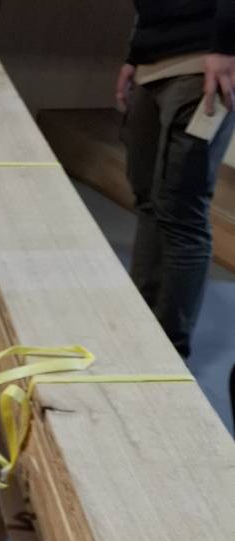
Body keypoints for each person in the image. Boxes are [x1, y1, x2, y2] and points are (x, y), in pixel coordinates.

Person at [116, 1, 235, 356]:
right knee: (147, 202)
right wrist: (135, 55)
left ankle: (168, 352)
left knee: (181, 213)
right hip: (153, 62)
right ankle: (139, 330)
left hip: (203, 61)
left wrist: (227, 47)